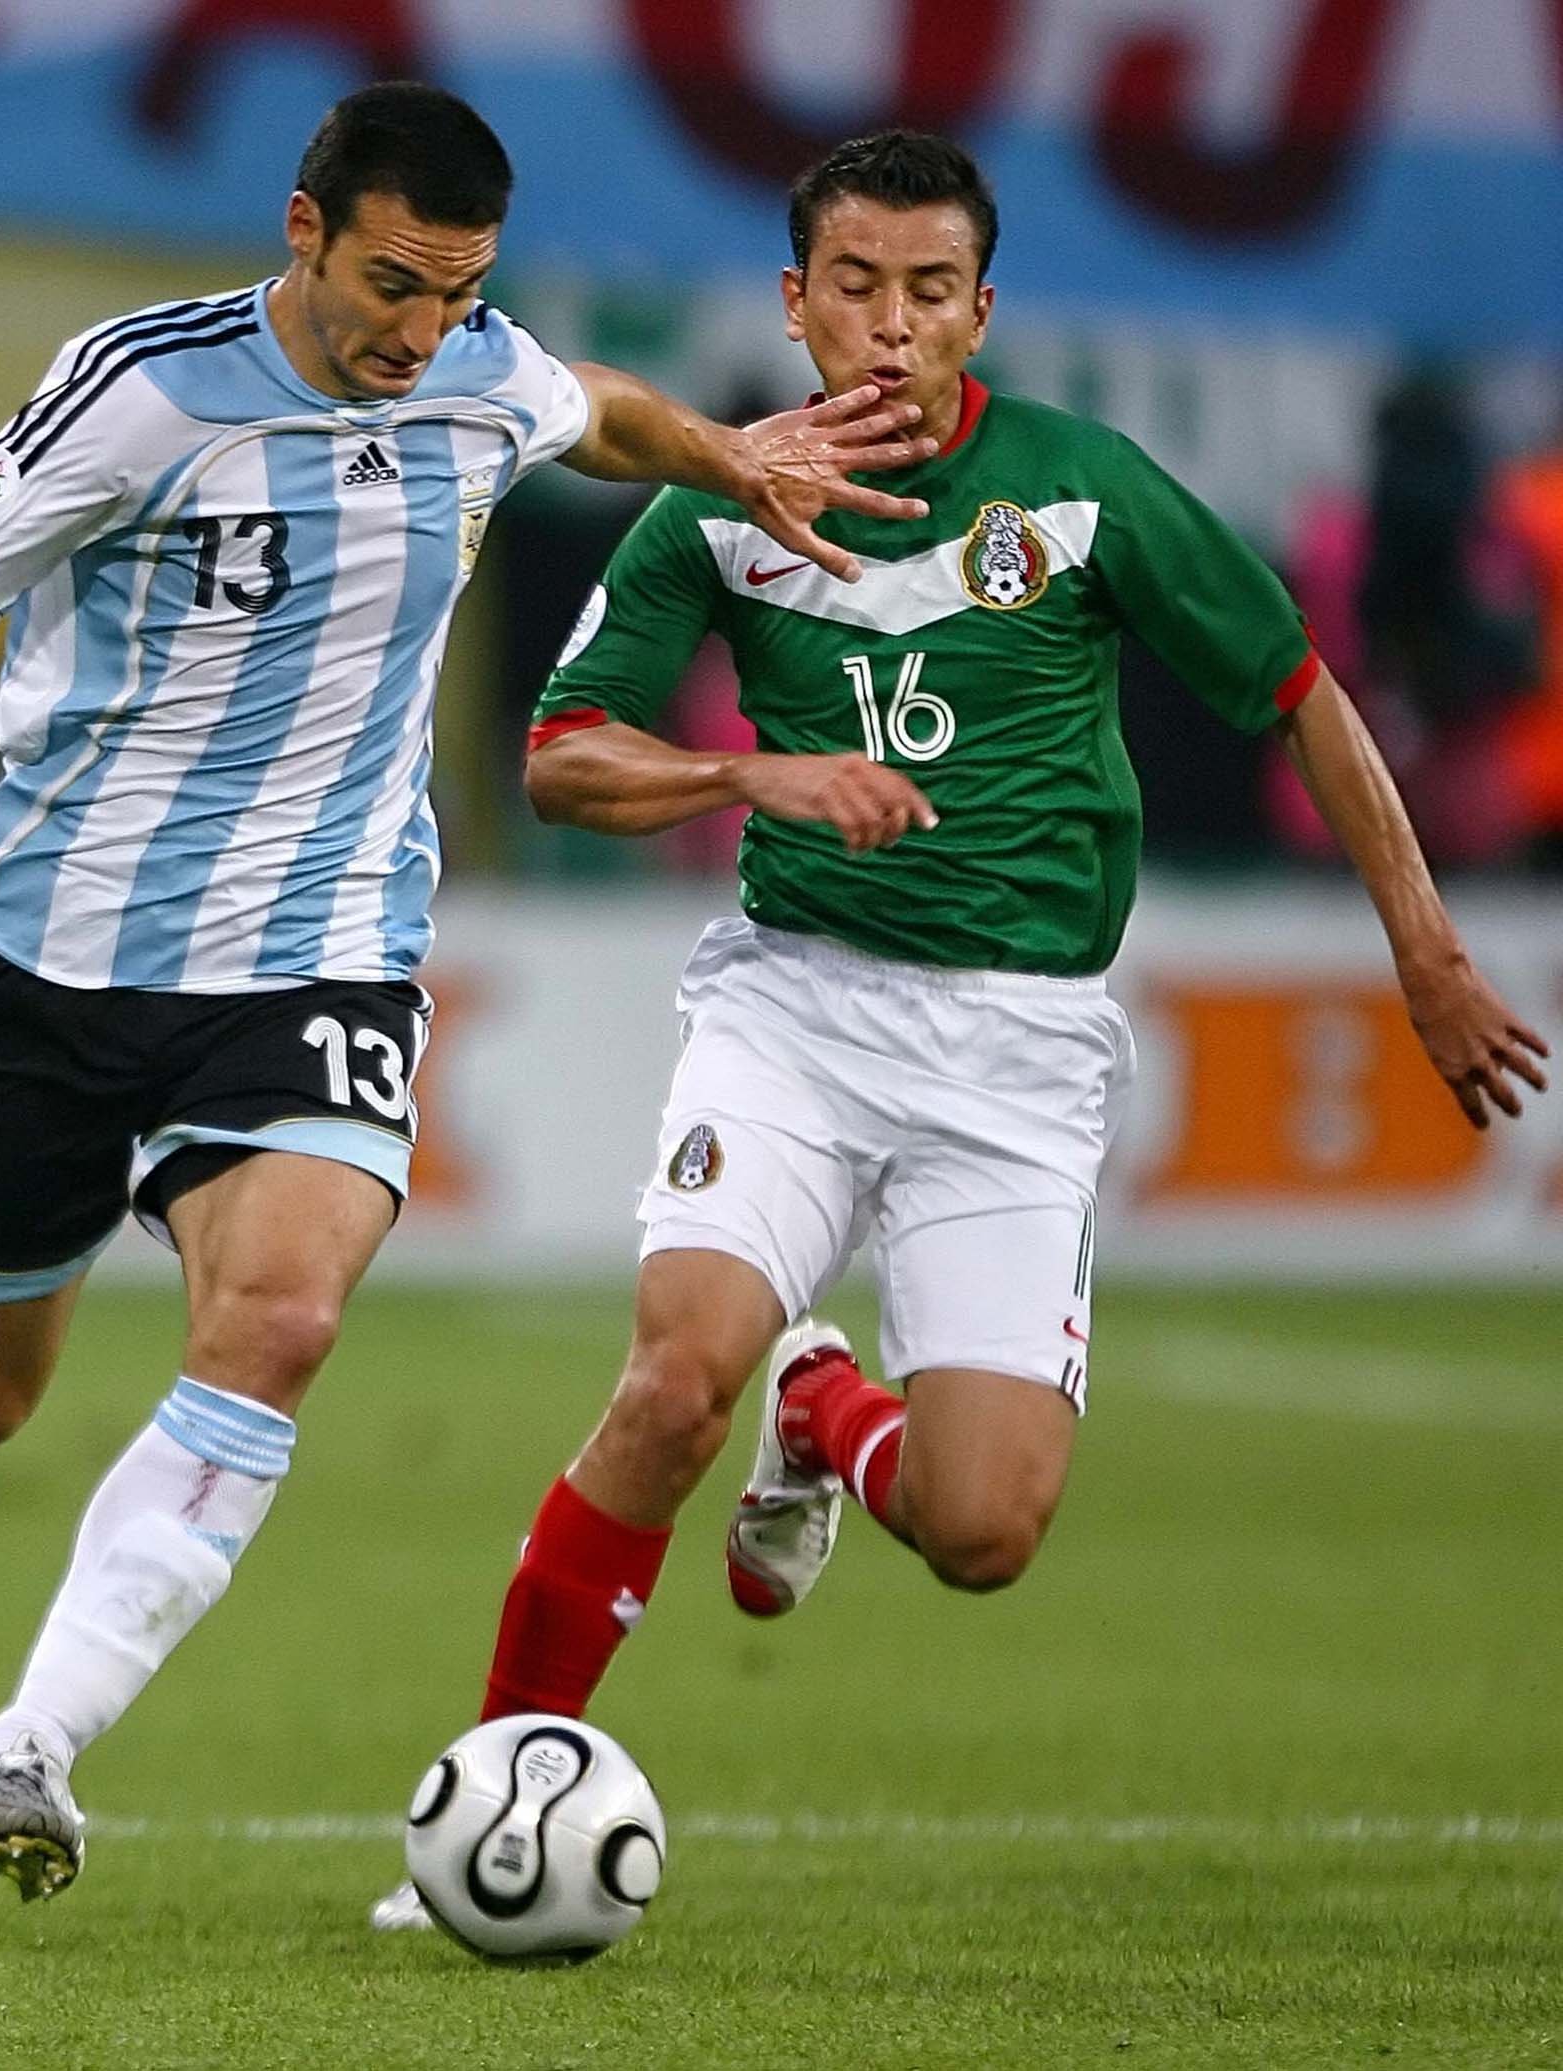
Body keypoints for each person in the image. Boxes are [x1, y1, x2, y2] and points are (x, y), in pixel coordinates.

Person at [0, 82, 935, 1903]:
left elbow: (594, 408)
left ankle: (29, 1752)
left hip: (319, 952)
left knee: (284, 1318)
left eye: (459, 292)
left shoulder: (478, 372)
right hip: (56, 964)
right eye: (393, 284)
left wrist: (729, 456)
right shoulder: (141, 392)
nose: (422, 332)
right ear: (303, 233)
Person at [371, 128, 1550, 1930]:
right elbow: (561, 757)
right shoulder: (716, 505)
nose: (894, 326)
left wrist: (1430, 953)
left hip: (1020, 1049)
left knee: (985, 1531)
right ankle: (501, 1788)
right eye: (858, 287)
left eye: (932, 291)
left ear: (980, 311)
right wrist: (754, 775)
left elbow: (1300, 693)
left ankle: (825, 1407)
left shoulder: (1079, 490)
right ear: (797, 303)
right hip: (795, 1009)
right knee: (673, 1378)